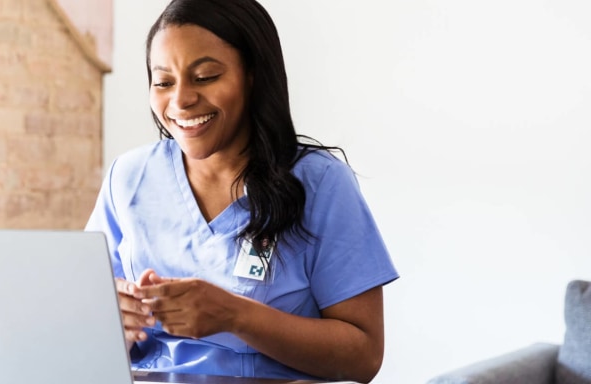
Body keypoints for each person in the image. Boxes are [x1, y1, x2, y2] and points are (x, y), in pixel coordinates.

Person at [84, 0, 399, 382]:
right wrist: (110, 320)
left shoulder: (320, 184)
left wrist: (235, 315)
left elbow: (364, 357)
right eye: (163, 81)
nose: (180, 100)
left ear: (252, 75)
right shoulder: (129, 177)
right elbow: (86, 333)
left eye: (205, 76)